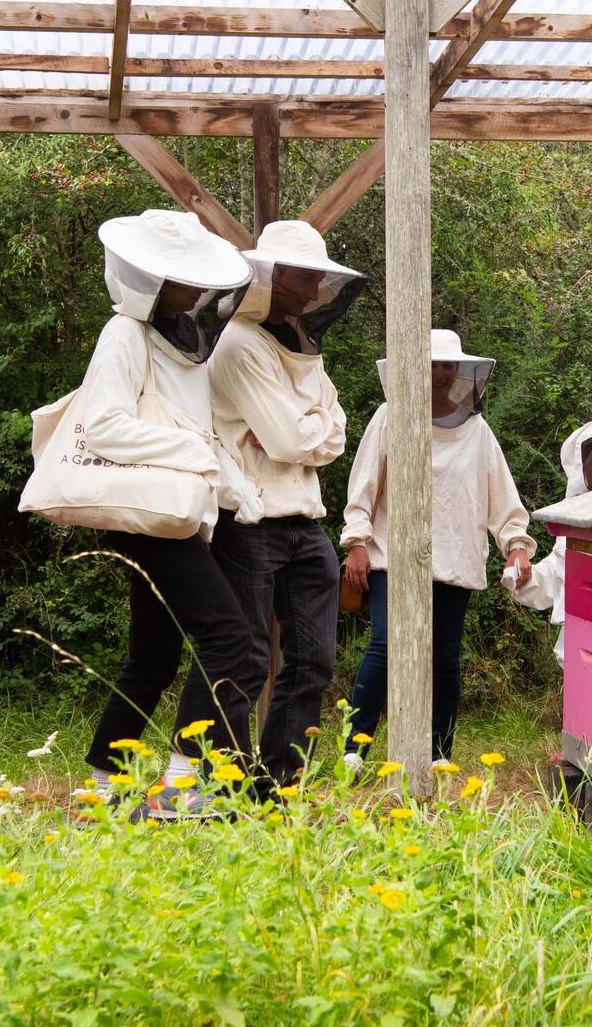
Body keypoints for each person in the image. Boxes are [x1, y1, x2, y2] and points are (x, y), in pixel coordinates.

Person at [76, 209, 262, 820]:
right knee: (230, 639)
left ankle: (100, 787)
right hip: (146, 515)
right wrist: (192, 454)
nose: (196, 289)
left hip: (177, 514)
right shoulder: (123, 335)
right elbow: (104, 427)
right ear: (150, 278)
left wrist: (235, 490)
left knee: (153, 656)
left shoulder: (183, 338)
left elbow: (198, 432)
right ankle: (181, 785)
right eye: (182, 278)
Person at [207, 220, 368, 787]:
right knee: (246, 659)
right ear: (269, 276)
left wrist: (305, 430)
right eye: (304, 277)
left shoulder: (302, 343)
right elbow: (289, 441)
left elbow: (331, 434)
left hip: (304, 519)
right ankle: (221, 784)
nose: (314, 290)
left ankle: (279, 783)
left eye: (318, 278)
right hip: (248, 518)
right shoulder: (238, 343)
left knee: (314, 659)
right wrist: (306, 429)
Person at [339, 330, 536, 768]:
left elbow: (501, 496)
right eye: (432, 365)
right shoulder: (389, 417)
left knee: (444, 656)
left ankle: (437, 755)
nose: (441, 374)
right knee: (385, 646)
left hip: (454, 554)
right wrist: (356, 542)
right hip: (392, 553)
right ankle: (354, 750)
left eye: (448, 365)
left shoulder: (477, 430)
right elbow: (364, 484)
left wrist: (516, 545)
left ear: (460, 371)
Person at [507, 420, 592, 665]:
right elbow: (559, 572)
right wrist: (525, 579)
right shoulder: (575, 519)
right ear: (581, 467)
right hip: (585, 644)